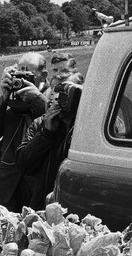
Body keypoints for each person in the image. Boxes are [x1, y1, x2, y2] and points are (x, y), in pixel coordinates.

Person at [0, 52, 49, 212]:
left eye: (28, 74)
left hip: (35, 184)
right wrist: (4, 98)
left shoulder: (51, 97)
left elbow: (53, 125)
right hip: (8, 184)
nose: (23, 80)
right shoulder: (12, 99)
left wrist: (37, 100)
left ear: (43, 75)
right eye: (19, 73)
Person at [15, 73, 84, 209]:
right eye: (53, 91)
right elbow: (24, 164)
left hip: (74, 206)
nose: (56, 98)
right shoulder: (39, 123)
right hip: (42, 205)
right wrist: (46, 133)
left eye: (65, 92)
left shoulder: (87, 128)